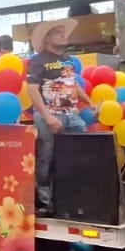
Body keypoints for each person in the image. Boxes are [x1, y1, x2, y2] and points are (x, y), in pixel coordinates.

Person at [26, 18, 91, 215]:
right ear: (47, 38)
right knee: (47, 158)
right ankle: (46, 203)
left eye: (64, 32)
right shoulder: (38, 61)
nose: (64, 35)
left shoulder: (67, 59)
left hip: (72, 114)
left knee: (79, 155)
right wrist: (47, 116)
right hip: (50, 115)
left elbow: (73, 84)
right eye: (58, 32)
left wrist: (89, 102)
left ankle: (74, 199)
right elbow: (32, 89)